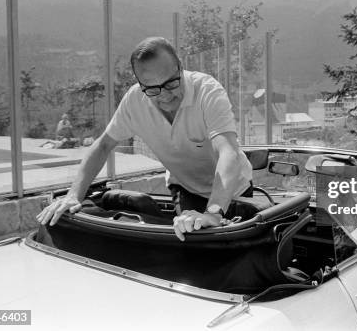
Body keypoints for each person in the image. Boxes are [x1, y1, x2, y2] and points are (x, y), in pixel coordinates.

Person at [37, 37, 253, 241]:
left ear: (179, 66)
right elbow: (103, 145)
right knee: (186, 241)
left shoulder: (207, 91)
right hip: (186, 188)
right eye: (152, 89)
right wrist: (73, 195)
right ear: (139, 83)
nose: (165, 96)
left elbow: (228, 152)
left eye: (171, 84)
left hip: (232, 191)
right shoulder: (134, 101)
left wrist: (214, 212)